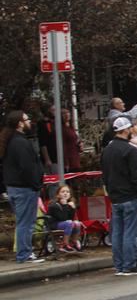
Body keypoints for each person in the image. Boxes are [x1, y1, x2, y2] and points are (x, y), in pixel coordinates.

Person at [101, 117, 137, 276]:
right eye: (129, 129)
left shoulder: (107, 150)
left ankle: (119, 265)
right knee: (130, 233)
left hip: (116, 197)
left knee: (117, 233)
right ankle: (129, 265)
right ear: (126, 130)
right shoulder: (131, 150)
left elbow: (105, 175)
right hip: (131, 196)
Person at [0, 110, 46, 264]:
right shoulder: (20, 143)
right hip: (24, 188)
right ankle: (24, 254)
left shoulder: (10, 141)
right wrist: (36, 184)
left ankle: (24, 252)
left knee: (22, 222)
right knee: (26, 223)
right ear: (20, 123)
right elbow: (27, 167)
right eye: (27, 119)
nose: (29, 122)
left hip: (14, 187)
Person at [48, 185, 84, 253]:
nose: (65, 193)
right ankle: (65, 244)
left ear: (70, 194)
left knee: (77, 223)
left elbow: (70, 218)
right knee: (69, 223)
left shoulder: (68, 204)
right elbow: (62, 218)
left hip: (65, 223)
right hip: (54, 224)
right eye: (63, 192)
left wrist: (72, 208)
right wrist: (64, 206)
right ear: (58, 195)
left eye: (67, 192)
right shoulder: (54, 205)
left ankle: (74, 242)